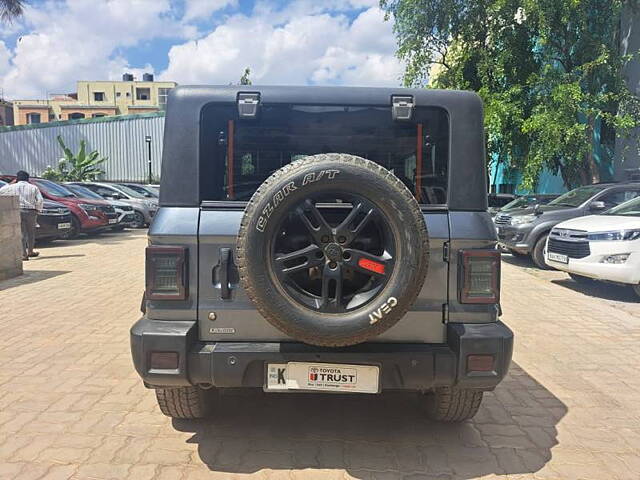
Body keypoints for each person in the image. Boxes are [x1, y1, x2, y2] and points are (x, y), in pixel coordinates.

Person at [0, 171, 44, 260]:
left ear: (17, 178)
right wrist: (37, 209)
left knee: (21, 233)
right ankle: (30, 251)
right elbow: (40, 200)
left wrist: (10, 183)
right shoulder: (33, 187)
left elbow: (1, 192)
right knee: (31, 233)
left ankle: (23, 254)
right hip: (31, 212)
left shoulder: (11, 187)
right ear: (28, 178)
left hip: (17, 211)